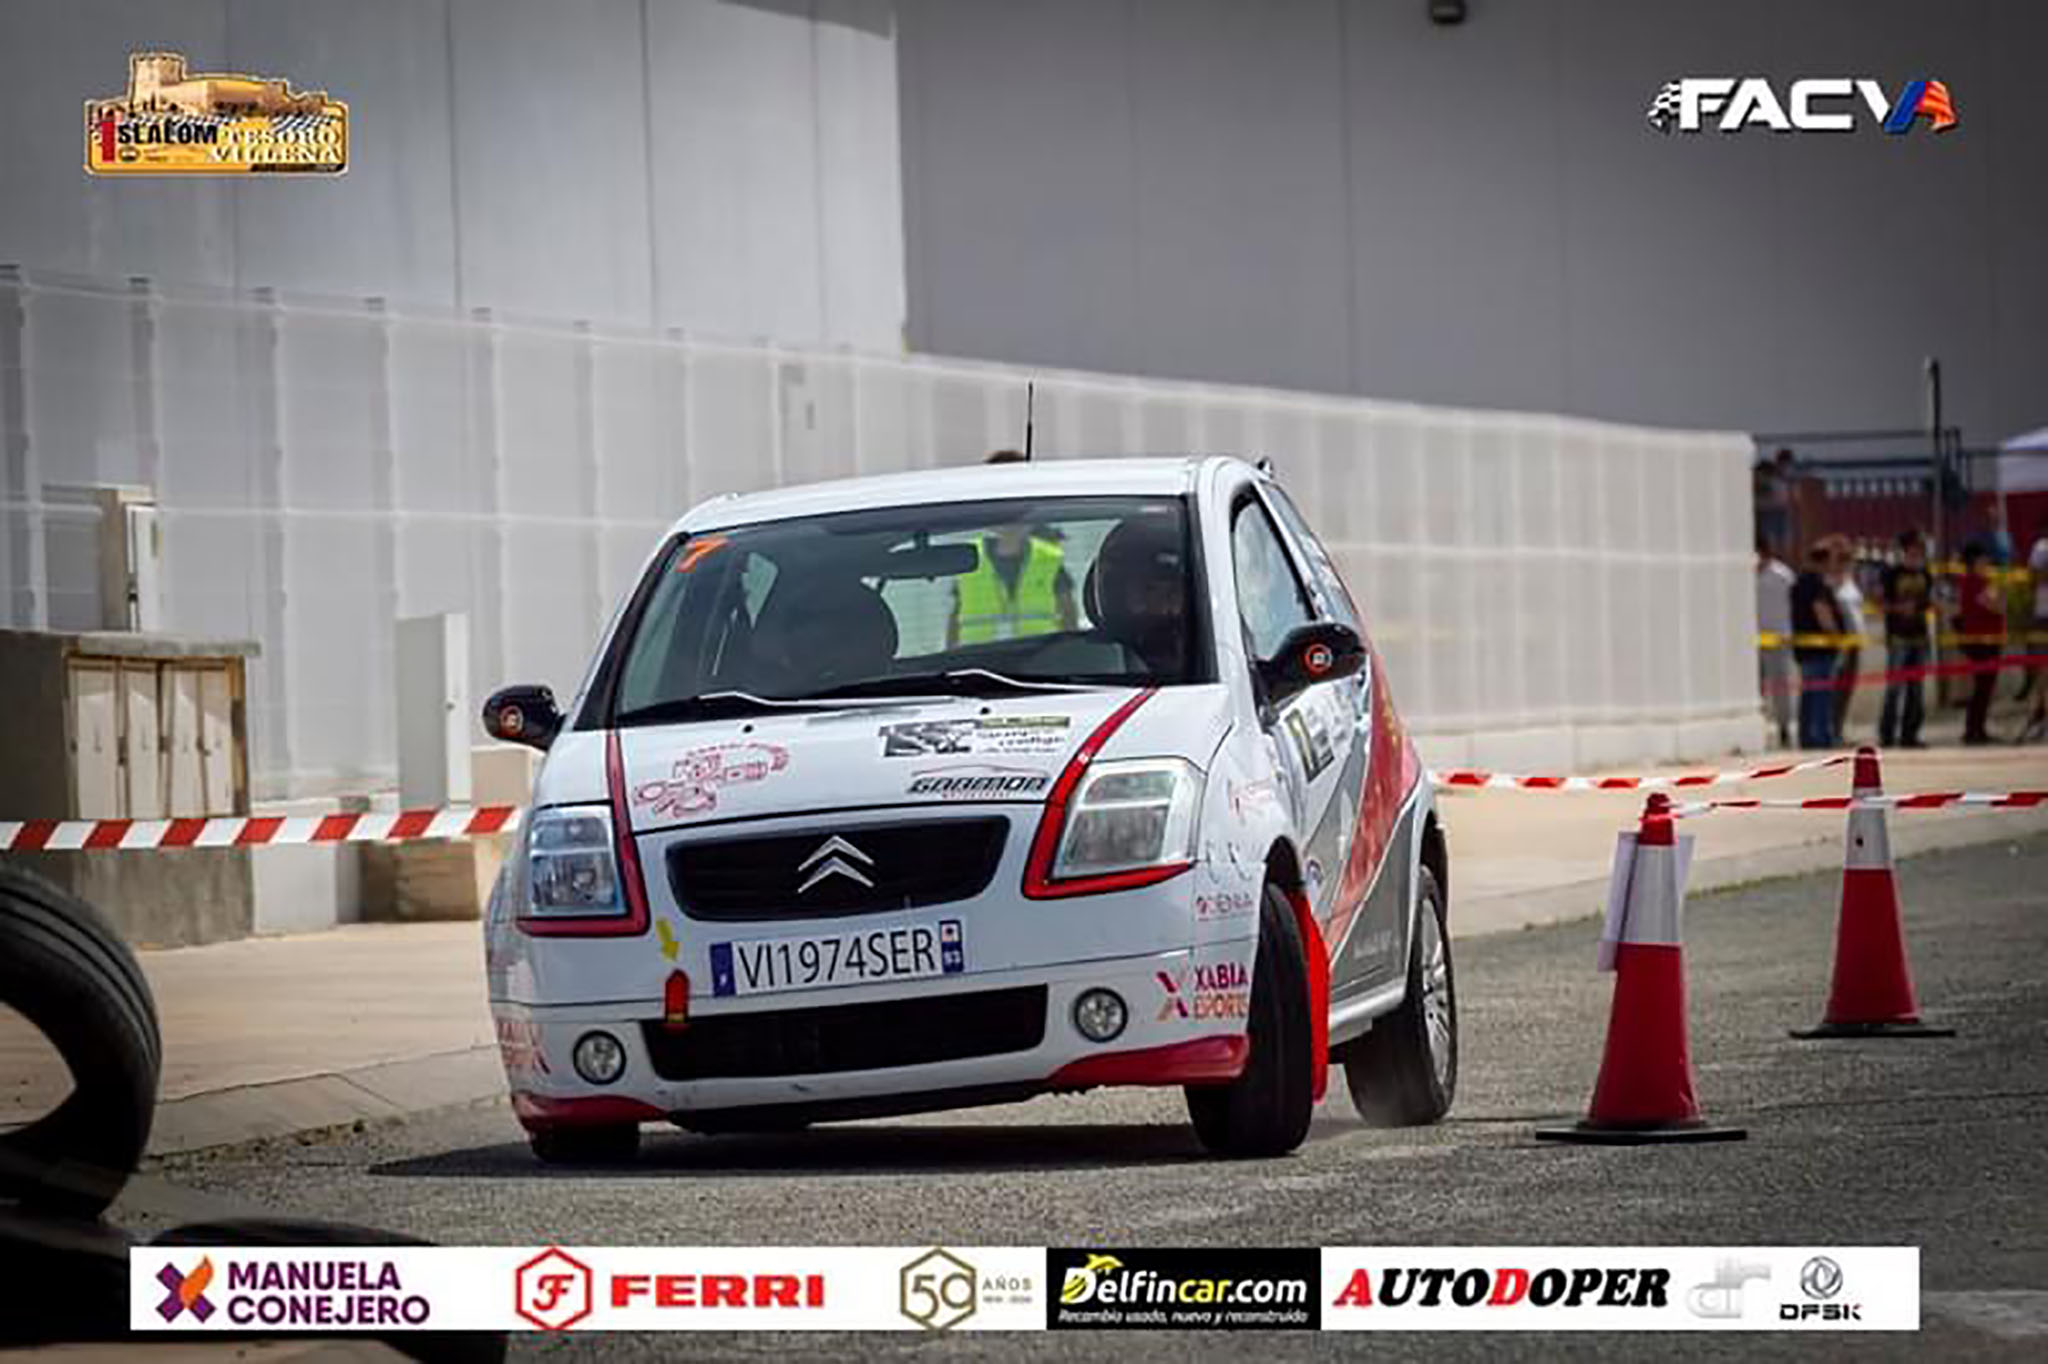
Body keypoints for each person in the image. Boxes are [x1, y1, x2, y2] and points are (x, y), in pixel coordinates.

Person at [947, 508, 1078, 646]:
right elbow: (955, 614)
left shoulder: (1048, 558)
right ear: (992, 526)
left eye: (1017, 521)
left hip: (1040, 654)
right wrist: (949, 656)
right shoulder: (972, 557)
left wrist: (1071, 649)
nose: (1011, 527)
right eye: (1006, 521)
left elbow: (1068, 610)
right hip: (977, 657)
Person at [1877, 529, 1934, 749]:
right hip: (1898, 637)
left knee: (1916, 689)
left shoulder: (1925, 574)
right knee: (1894, 688)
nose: (1918, 552)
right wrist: (1898, 609)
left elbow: (1928, 600)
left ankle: (1910, 734)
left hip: (1919, 636)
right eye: (1914, 548)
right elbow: (1880, 601)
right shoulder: (1891, 573)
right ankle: (1887, 734)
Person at [1790, 543, 1844, 749]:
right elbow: (1822, 611)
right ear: (1823, 562)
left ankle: (1806, 737)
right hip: (1821, 647)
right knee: (1822, 693)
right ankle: (1821, 737)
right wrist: (1836, 636)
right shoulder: (1817, 584)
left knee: (1808, 693)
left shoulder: (1798, 583)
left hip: (1803, 647)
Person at [1953, 541, 2004, 745]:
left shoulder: (1983, 580)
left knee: (1986, 687)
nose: (1987, 562)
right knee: (1982, 686)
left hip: (1991, 639)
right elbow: (1996, 605)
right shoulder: (1972, 581)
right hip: (1980, 641)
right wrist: (1997, 597)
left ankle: (1978, 728)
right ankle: (1973, 730)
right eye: (1983, 558)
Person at [1825, 535, 1866, 743]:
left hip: (1855, 642)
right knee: (1835, 690)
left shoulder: (1850, 581)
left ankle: (1838, 730)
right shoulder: (1829, 583)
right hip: (1840, 643)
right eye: (1840, 558)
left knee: (1847, 689)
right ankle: (1830, 731)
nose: (1844, 562)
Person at [1755, 537, 1795, 747]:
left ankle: (1784, 727)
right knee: (1755, 690)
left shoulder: (1783, 576)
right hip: (1752, 641)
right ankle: (1759, 728)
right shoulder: (1746, 575)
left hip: (1779, 638)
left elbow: (1794, 606)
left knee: (1780, 686)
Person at [2023, 534, 2048, 742]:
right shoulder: (2041, 547)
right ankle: (2037, 719)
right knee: (2041, 673)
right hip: (2043, 616)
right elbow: (2033, 578)